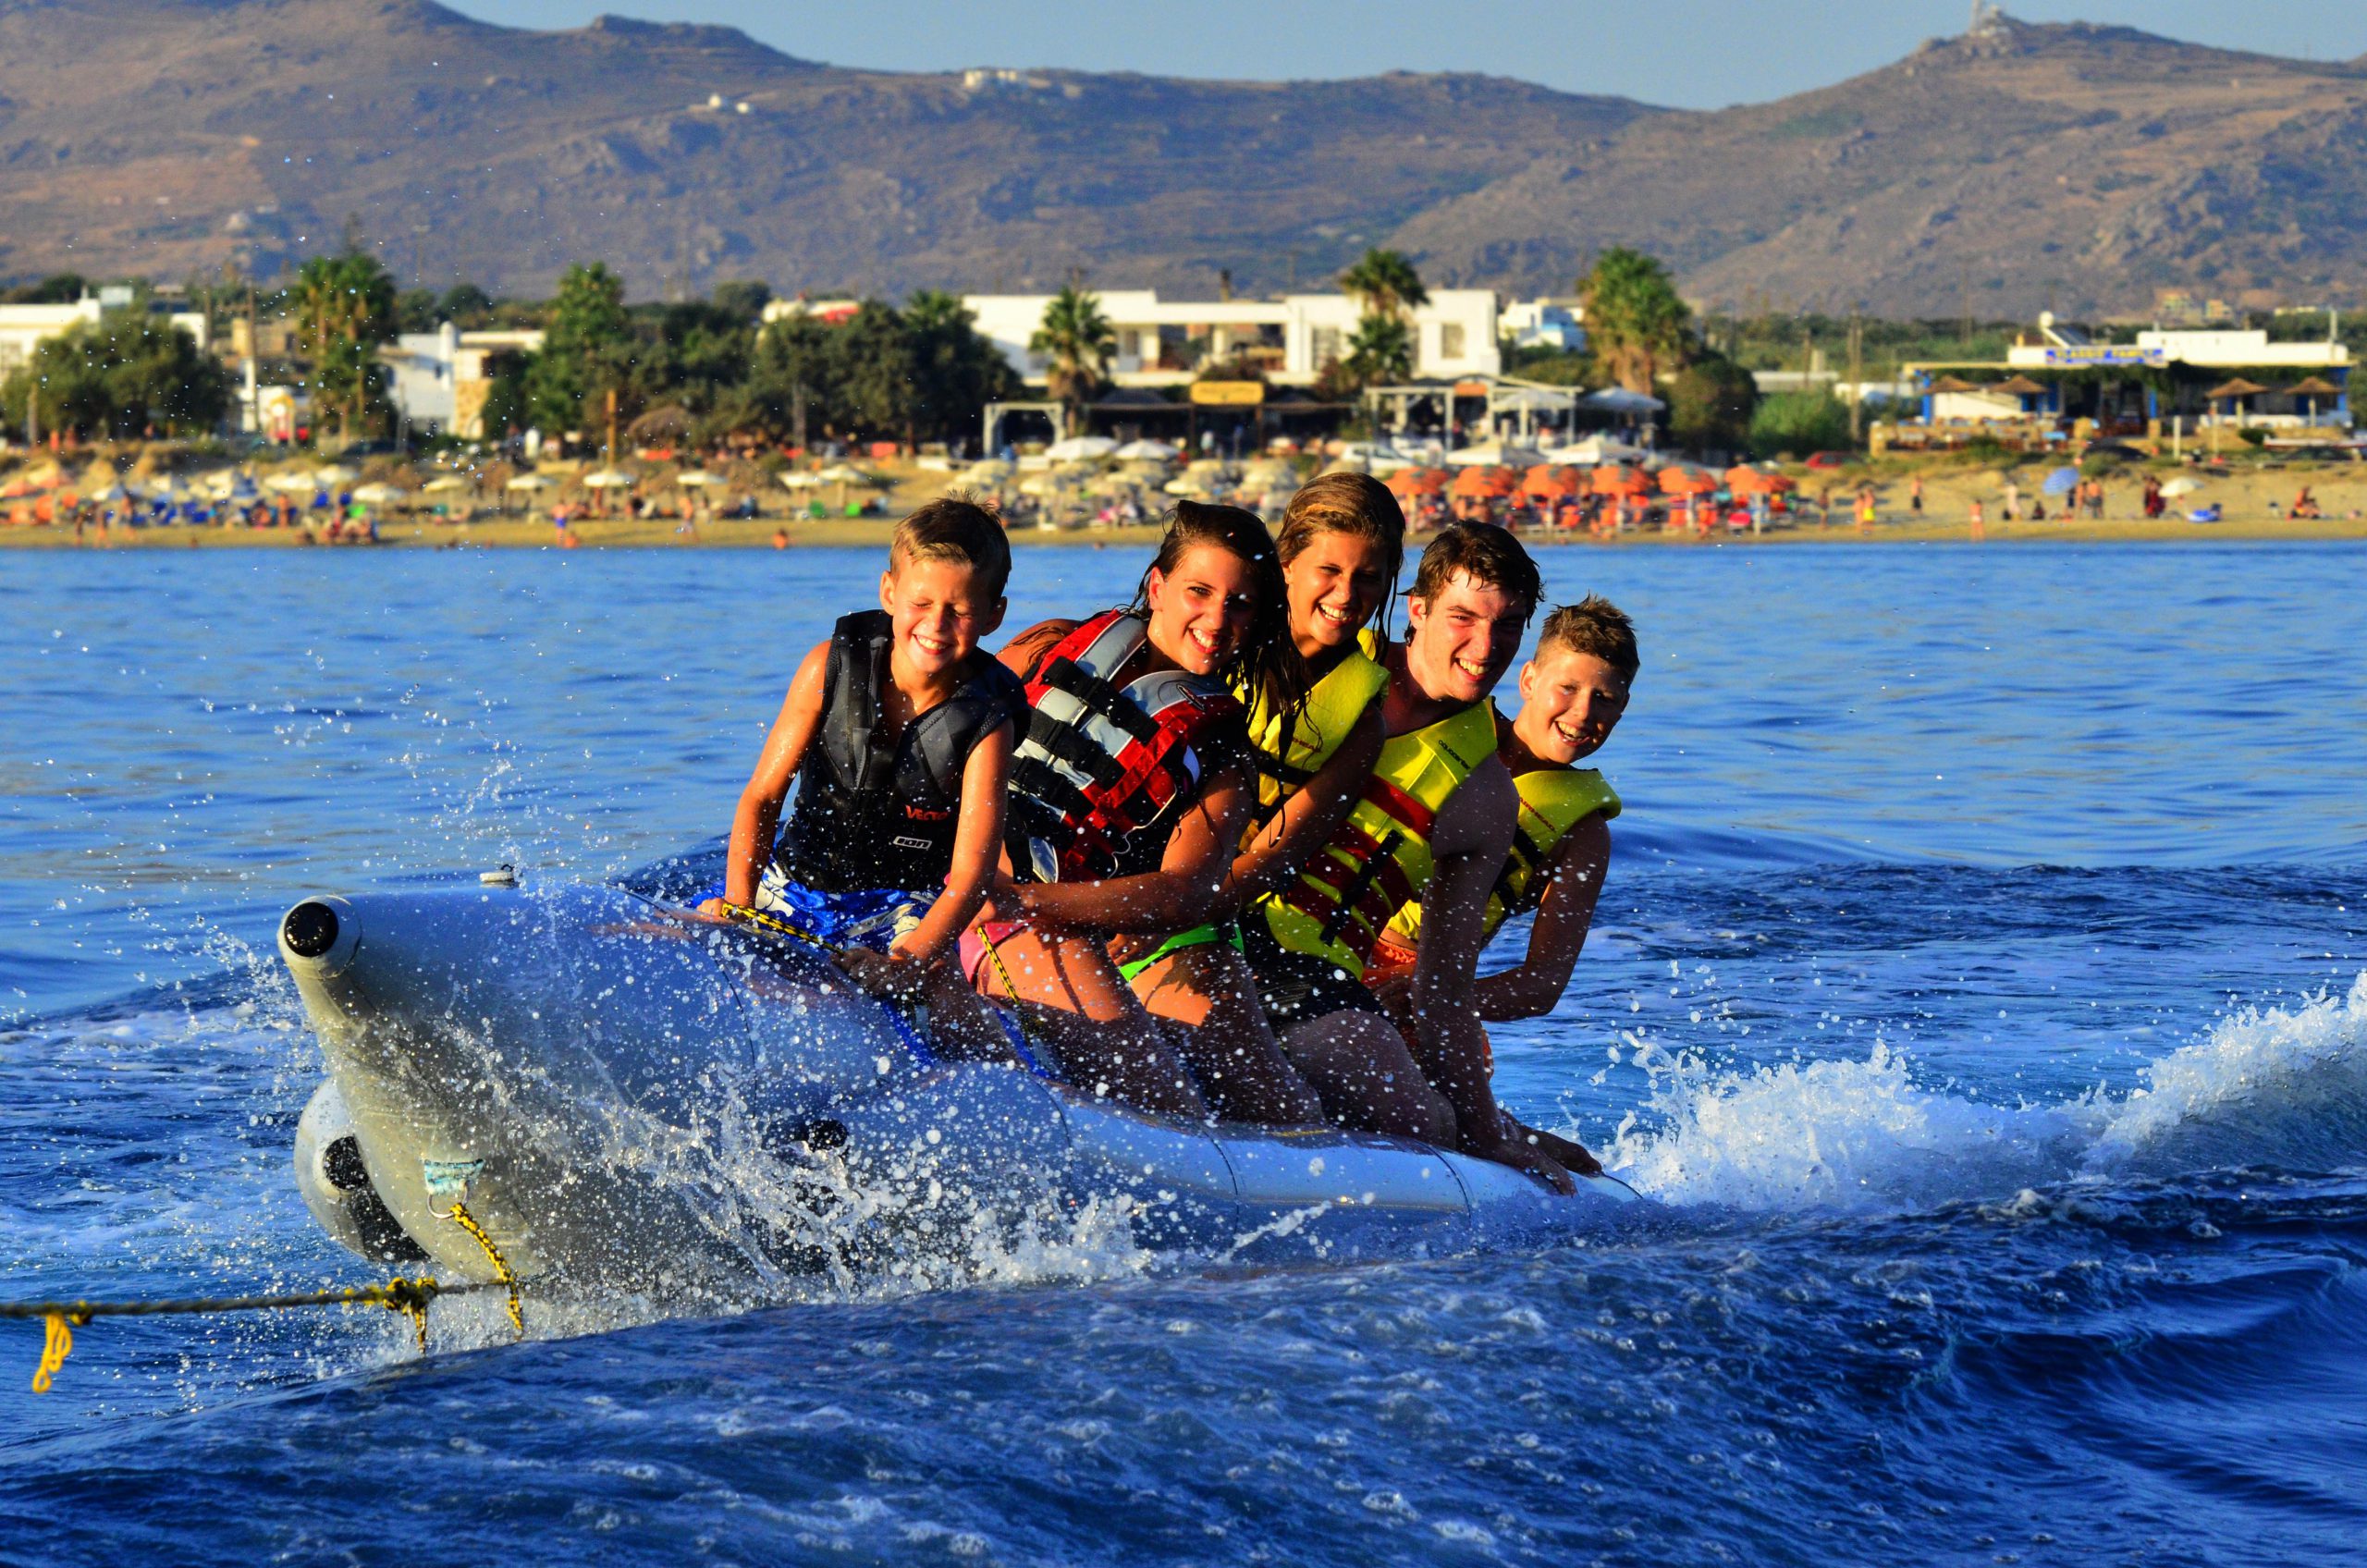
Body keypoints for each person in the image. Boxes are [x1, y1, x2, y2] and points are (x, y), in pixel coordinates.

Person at [1240, 524, 1574, 1189]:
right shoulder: (1317, 660)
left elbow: (1443, 988)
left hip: (1313, 978)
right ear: (1416, 609)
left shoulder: (1484, 798)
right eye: (1464, 618)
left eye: (1507, 626)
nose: (1485, 648)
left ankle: (1499, 1133)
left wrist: (1482, 1134)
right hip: (1202, 916)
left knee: (1427, 1127)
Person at [970, 501, 1299, 1121]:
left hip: (1034, 925)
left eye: (1240, 604)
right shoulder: (1049, 646)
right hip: (952, 900)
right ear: (1157, 586)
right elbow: (943, 733)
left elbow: (1183, 894)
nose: (1216, 617)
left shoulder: (1224, 756)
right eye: (1198, 591)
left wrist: (1025, 902)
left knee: (1176, 1119)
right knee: (1172, 1114)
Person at [1116, 473, 1404, 1123]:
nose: (1347, 595)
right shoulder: (1212, 636)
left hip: (1213, 915)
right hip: (1121, 888)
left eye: (1369, 578)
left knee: (1409, 1115)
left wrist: (1148, 919)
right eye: (1328, 569)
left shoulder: (1359, 719)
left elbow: (1269, 860)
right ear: (1284, 565)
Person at [702, 496, 1022, 1021]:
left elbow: (970, 877)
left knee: (942, 1000)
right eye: (921, 603)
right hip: (792, 887)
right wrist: (738, 904)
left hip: (902, 912)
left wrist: (909, 961)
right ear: (889, 592)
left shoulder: (987, 721)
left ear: (993, 615)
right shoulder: (827, 666)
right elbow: (761, 798)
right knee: (701, 928)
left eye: (959, 611)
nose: (936, 625)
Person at [1364, 596, 1637, 1176]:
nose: (1583, 712)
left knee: (1428, 1117)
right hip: (1335, 934)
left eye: (1605, 700)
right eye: (1568, 688)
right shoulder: (1447, 724)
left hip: (1424, 989)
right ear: (1529, 679)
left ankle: (1511, 1137)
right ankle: (1506, 1129)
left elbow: (1541, 987)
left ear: (1622, 709)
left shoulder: (1582, 833)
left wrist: (1431, 997)